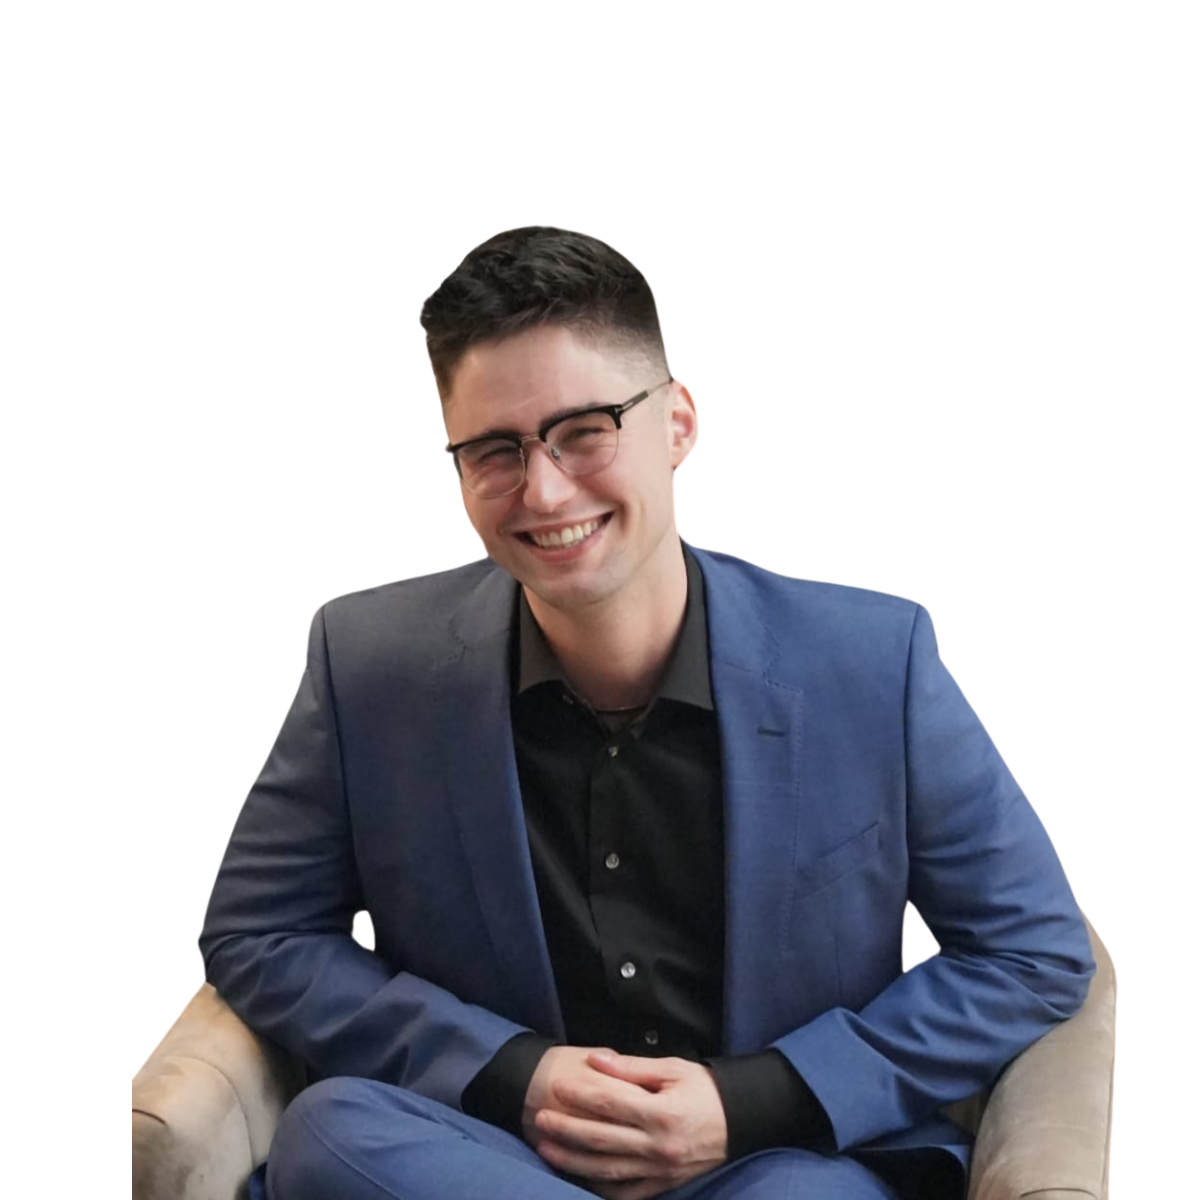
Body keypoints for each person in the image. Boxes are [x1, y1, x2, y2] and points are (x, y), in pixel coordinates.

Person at [200, 226, 1095, 1200]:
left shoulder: (874, 663)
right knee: (336, 1133)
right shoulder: (368, 661)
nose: (543, 489)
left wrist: (757, 1100)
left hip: (776, 1167)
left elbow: (1028, 951)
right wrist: (509, 1073)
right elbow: (260, 934)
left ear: (677, 423)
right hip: (489, 1157)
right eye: (494, 449)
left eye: (585, 430)